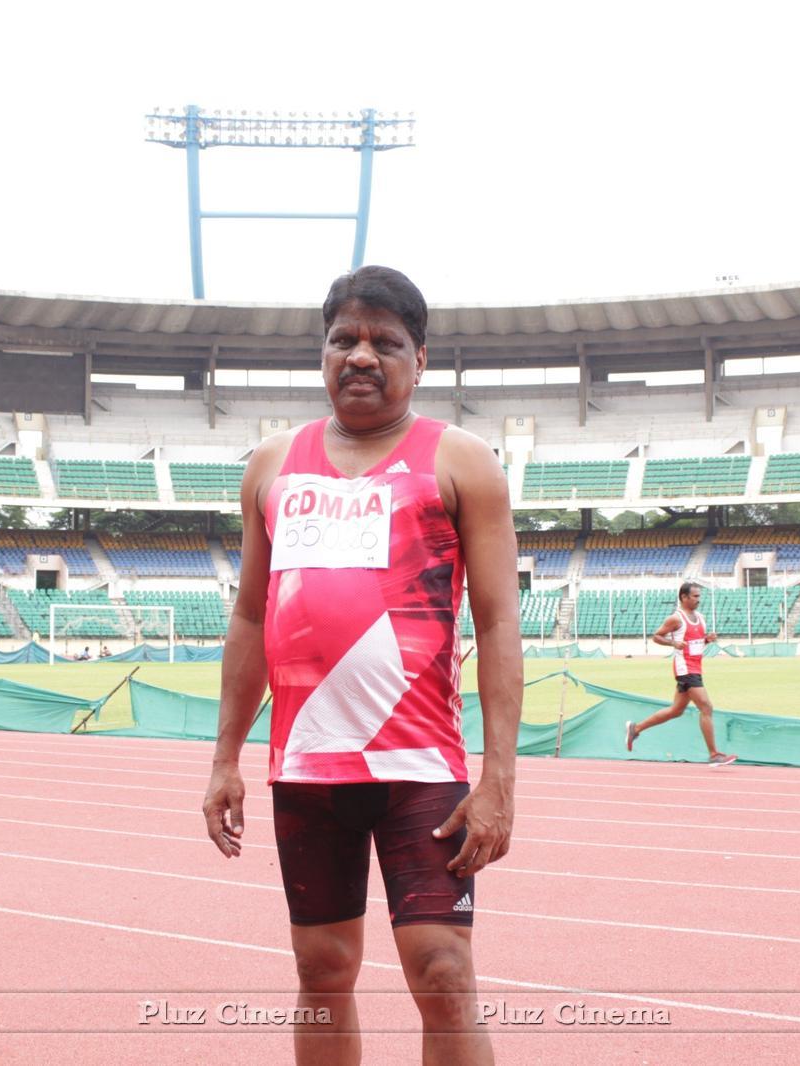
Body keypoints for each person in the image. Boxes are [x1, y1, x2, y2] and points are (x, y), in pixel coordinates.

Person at [202, 265, 522, 1065]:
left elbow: (499, 620)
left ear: (421, 359)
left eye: (386, 341)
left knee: (444, 972)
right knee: (322, 970)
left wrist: (500, 781)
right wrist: (224, 760)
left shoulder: (462, 461)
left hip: (421, 767)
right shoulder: (273, 464)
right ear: (322, 353)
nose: (362, 355)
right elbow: (248, 616)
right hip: (308, 768)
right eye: (344, 338)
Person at [625, 581, 736, 766]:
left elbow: (695, 643)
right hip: (684, 669)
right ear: (684, 597)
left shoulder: (700, 617)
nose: (699, 599)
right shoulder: (676, 619)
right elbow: (656, 636)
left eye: (699, 596)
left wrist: (706, 640)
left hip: (696, 667)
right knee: (706, 707)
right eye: (695, 596)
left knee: (676, 710)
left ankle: (636, 729)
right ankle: (714, 754)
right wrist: (673, 644)